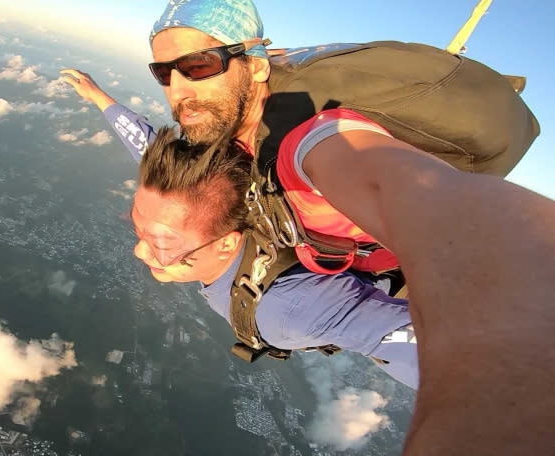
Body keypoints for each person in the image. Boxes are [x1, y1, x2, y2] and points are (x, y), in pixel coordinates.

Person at [68, 1, 555, 453]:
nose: (178, 91)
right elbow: (151, 148)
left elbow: (467, 223)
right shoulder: (218, 165)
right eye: (163, 73)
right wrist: (100, 98)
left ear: (257, 65)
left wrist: (497, 409)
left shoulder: (313, 158)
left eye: (198, 66)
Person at [132, 125, 418, 388]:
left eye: (161, 244)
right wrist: (98, 98)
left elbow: (433, 351)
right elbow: (140, 142)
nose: (140, 250)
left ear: (226, 246)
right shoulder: (198, 202)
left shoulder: (287, 309)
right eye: (138, 229)